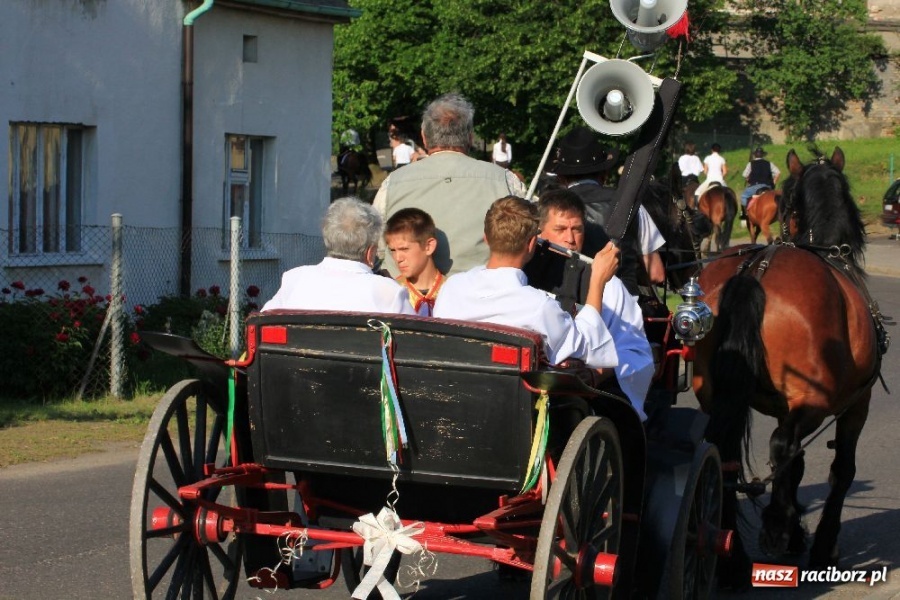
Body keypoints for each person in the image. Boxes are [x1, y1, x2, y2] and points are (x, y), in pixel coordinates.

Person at [433, 196, 624, 398]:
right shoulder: (538, 306)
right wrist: (597, 281)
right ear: (533, 243)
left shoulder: (451, 289)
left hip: (452, 396)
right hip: (511, 406)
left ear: (486, 238)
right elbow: (589, 348)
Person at [524, 189, 654, 420]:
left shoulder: (610, 286)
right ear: (540, 232)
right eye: (560, 229)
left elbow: (635, 352)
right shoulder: (522, 275)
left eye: (577, 229)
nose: (570, 239)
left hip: (584, 395)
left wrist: (597, 373)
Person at [373, 93, 527, 276]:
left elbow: (376, 246)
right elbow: (527, 240)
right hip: (484, 296)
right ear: (470, 137)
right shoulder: (505, 180)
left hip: (406, 298)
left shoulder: (392, 182)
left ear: (424, 137)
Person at [550, 126, 666, 294]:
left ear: (561, 178)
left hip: (566, 304)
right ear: (604, 174)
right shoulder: (630, 205)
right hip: (622, 306)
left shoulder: (548, 210)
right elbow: (656, 273)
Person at [262, 198, 415, 314]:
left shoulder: (294, 279)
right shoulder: (389, 292)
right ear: (370, 253)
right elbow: (417, 344)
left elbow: (260, 325)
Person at [384, 208, 445, 316]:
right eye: (393, 250)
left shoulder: (452, 291)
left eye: (404, 249)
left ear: (428, 246)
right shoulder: (392, 293)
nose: (398, 258)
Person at [740, 146, 781, 218]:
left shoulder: (751, 163)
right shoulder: (769, 163)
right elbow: (778, 172)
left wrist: (748, 180)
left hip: (755, 186)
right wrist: (774, 182)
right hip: (767, 186)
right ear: (763, 155)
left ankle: (744, 214)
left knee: (744, 196)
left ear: (755, 155)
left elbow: (744, 175)